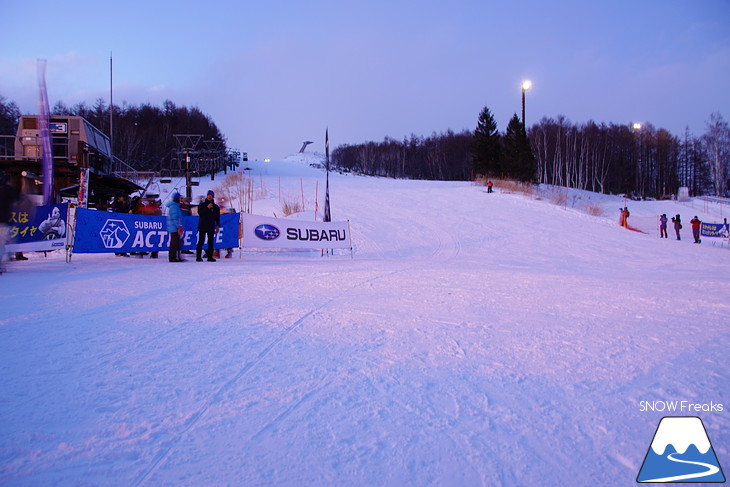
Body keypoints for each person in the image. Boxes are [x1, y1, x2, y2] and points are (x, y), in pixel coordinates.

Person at [0, 172, 20, 274]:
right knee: (1, 243)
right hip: (3, 221)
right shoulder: (6, 189)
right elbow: (19, 198)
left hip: (3, 220)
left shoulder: (7, 189)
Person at [196, 190, 220, 262]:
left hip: (210, 225)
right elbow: (200, 212)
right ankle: (198, 256)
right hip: (203, 225)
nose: (209, 196)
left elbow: (217, 217)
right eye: (208, 195)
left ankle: (210, 257)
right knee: (201, 241)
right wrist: (207, 208)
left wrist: (217, 225)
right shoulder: (202, 205)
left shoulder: (215, 207)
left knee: (211, 241)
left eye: (211, 195)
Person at [166, 192, 184, 262]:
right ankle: (172, 257)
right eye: (179, 198)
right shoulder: (174, 207)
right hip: (174, 228)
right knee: (174, 243)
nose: (180, 199)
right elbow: (174, 218)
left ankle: (175, 257)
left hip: (174, 227)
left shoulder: (175, 206)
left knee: (175, 242)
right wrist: (178, 226)